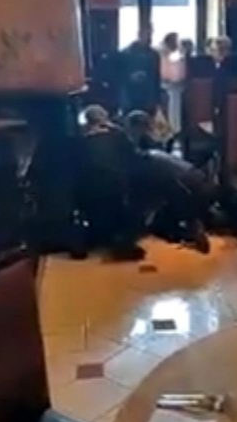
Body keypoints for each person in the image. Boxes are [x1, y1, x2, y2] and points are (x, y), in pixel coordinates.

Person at [123, 111, 213, 254]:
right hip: (198, 179)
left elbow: (148, 192)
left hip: (186, 189)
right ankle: (193, 226)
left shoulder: (146, 158)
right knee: (172, 205)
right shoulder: (157, 150)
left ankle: (188, 231)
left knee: (161, 222)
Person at [77, 105, 146, 261]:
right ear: (105, 117)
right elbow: (133, 157)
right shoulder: (118, 135)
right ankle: (121, 244)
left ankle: (99, 240)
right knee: (122, 214)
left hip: (91, 190)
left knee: (98, 216)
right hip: (116, 184)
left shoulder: (82, 140)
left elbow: (78, 168)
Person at [158, 32, 186, 136]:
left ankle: (175, 130)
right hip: (167, 86)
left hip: (174, 87)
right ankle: (173, 130)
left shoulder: (175, 56)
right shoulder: (162, 55)